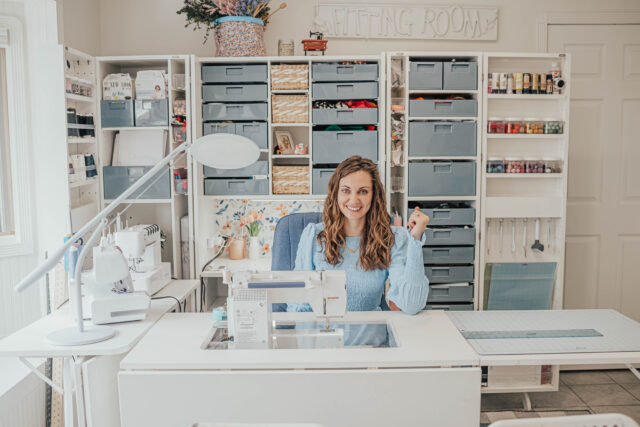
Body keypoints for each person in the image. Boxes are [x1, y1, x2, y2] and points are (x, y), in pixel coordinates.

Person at [290, 155, 430, 315]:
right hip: (324, 336)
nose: (354, 199)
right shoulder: (314, 236)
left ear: (374, 195)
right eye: (345, 190)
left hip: (371, 337)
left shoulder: (392, 238)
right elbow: (298, 305)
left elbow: (411, 305)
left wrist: (416, 240)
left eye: (363, 191)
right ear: (336, 194)